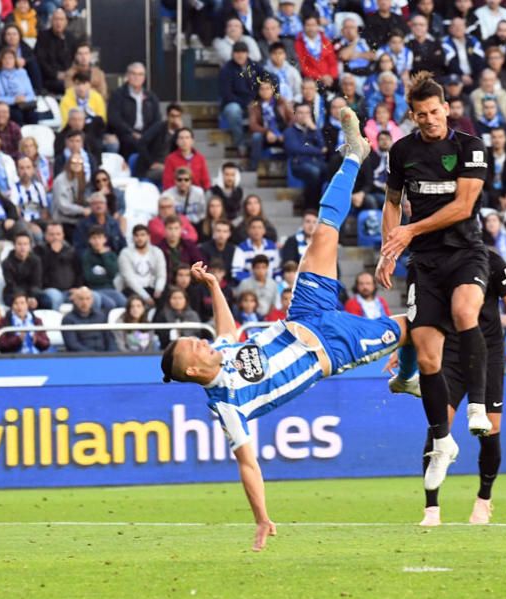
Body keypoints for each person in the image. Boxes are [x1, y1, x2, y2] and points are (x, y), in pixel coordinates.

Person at [161, 111, 413, 551]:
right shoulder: (226, 404)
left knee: (322, 231)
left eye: (191, 338)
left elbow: (225, 329)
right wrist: (262, 518)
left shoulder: (220, 352)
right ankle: (409, 372)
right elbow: (247, 464)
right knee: (415, 326)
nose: (199, 341)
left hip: (303, 314)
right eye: (192, 347)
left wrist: (215, 286)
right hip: (332, 349)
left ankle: (354, 155)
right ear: (195, 372)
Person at [378, 73, 492, 441]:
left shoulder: (470, 147)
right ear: (412, 116)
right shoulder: (402, 152)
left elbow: (463, 207)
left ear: (446, 108)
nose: (429, 119)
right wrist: (388, 251)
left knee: (463, 312)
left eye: (434, 111)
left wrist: (409, 231)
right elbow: (392, 202)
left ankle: (478, 405)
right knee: (429, 359)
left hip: (464, 251)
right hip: (425, 262)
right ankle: (441, 439)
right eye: (421, 114)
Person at [393, 249, 506, 527]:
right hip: (450, 353)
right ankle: (431, 508)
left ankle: (483, 500)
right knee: (439, 425)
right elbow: (417, 313)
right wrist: (405, 348)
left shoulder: (489, 261)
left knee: (491, 428)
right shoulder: (425, 263)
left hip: (488, 354)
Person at [108, 62, 162, 159]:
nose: (137, 77)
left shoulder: (151, 97)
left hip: (146, 134)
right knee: (134, 143)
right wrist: (131, 132)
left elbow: (157, 120)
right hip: (125, 133)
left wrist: (146, 135)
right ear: (128, 76)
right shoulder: (118, 95)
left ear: (144, 77)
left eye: (140, 74)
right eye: (133, 74)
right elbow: (114, 118)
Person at [118, 224, 166, 307]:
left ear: (148, 236)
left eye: (143, 235)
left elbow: (161, 275)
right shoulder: (125, 253)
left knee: (165, 297)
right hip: (132, 289)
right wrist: (145, 297)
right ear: (133, 237)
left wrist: (159, 289)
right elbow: (129, 279)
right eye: (136, 235)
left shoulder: (157, 252)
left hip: (152, 287)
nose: (140, 238)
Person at [62, 287, 116, 352]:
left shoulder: (101, 316)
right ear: (75, 300)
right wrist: (93, 355)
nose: (84, 302)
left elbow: (110, 339)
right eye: (81, 299)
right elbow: (72, 344)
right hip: (81, 358)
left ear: (92, 300)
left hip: (104, 356)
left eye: (88, 299)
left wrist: (111, 355)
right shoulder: (68, 319)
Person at [2, 231, 44, 308]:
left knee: (46, 299)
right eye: (19, 244)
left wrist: (32, 297)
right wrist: (24, 299)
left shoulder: (36, 261)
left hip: (32, 294)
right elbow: (11, 284)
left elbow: (36, 283)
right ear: (14, 245)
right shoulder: (7, 263)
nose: (22, 247)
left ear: (30, 246)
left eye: (25, 244)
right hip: (13, 294)